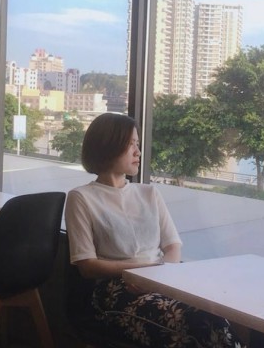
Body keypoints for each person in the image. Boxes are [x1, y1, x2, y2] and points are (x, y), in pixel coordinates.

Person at [65, 112, 246, 348]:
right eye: (131, 144)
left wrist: (157, 277)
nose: (138, 152)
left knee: (214, 315)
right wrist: (140, 273)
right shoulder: (81, 198)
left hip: (161, 280)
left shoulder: (149, 193)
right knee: (200, 324)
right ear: (108, 146)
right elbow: (87, 266)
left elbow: (173, 246)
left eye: (137, 144)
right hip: (115, 290)